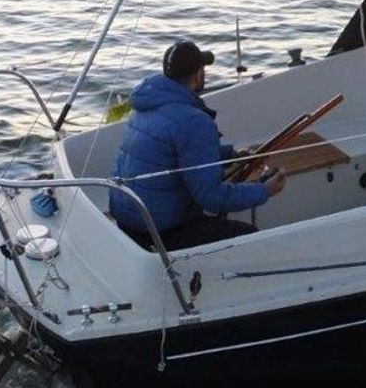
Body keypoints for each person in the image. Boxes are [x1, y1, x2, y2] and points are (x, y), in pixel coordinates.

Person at [109, 40, 286, 250]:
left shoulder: (144, 106)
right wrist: (264, 191)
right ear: (198, 75)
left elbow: (176, 154)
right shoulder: (194, 121)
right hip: (160, 231)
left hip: (126, 220)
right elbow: (211, 199)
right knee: (252, 239)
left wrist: (230, 154)